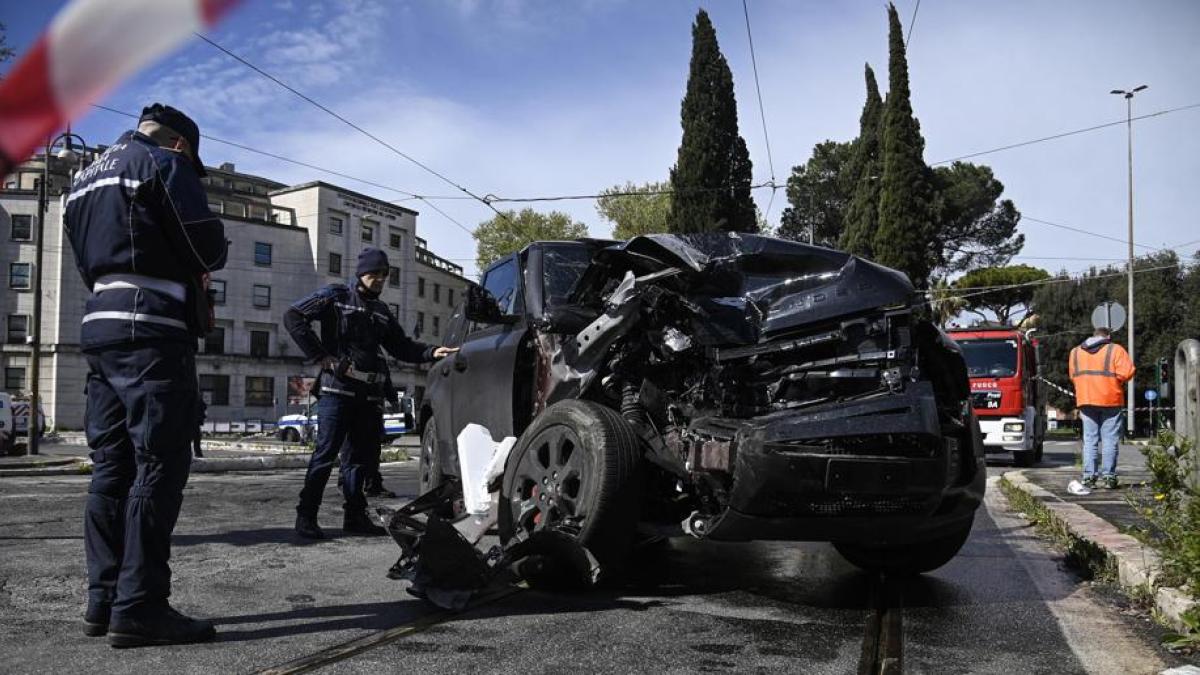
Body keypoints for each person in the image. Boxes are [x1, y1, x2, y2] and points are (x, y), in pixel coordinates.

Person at [64, 104, 227, 646]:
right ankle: (140, 607)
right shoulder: (161, 162)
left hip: (100, 325)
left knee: (110, 466)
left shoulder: (82, 176)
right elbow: (206, 244)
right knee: (159, 464)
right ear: (181, 143)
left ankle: (103, 599)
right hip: (151, 328)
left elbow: (88, 263)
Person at [285, 248, 456, 539]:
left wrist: (430, 352)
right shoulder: (336, 296)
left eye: (383, 275)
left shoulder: (381, 311)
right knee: (325, 456)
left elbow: (401, 346)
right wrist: (321, 357)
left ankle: (355, 518)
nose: (378, 279)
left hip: (368, 396)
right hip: (336, 392)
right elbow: (294, 316)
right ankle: (306, 516)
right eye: (373, 273)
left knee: (359, 461)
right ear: (360, 273)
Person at [1068, 327, 1135, 491]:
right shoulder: (1115, 349)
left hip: (1085, 399)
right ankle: (1109, 477)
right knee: (1109, 440)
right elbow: (1126, 373)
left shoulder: (1075, 352)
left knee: (1090, 440)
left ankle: (1089, 477)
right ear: (1108, 336)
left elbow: (1073, 376)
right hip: (1110, 399)